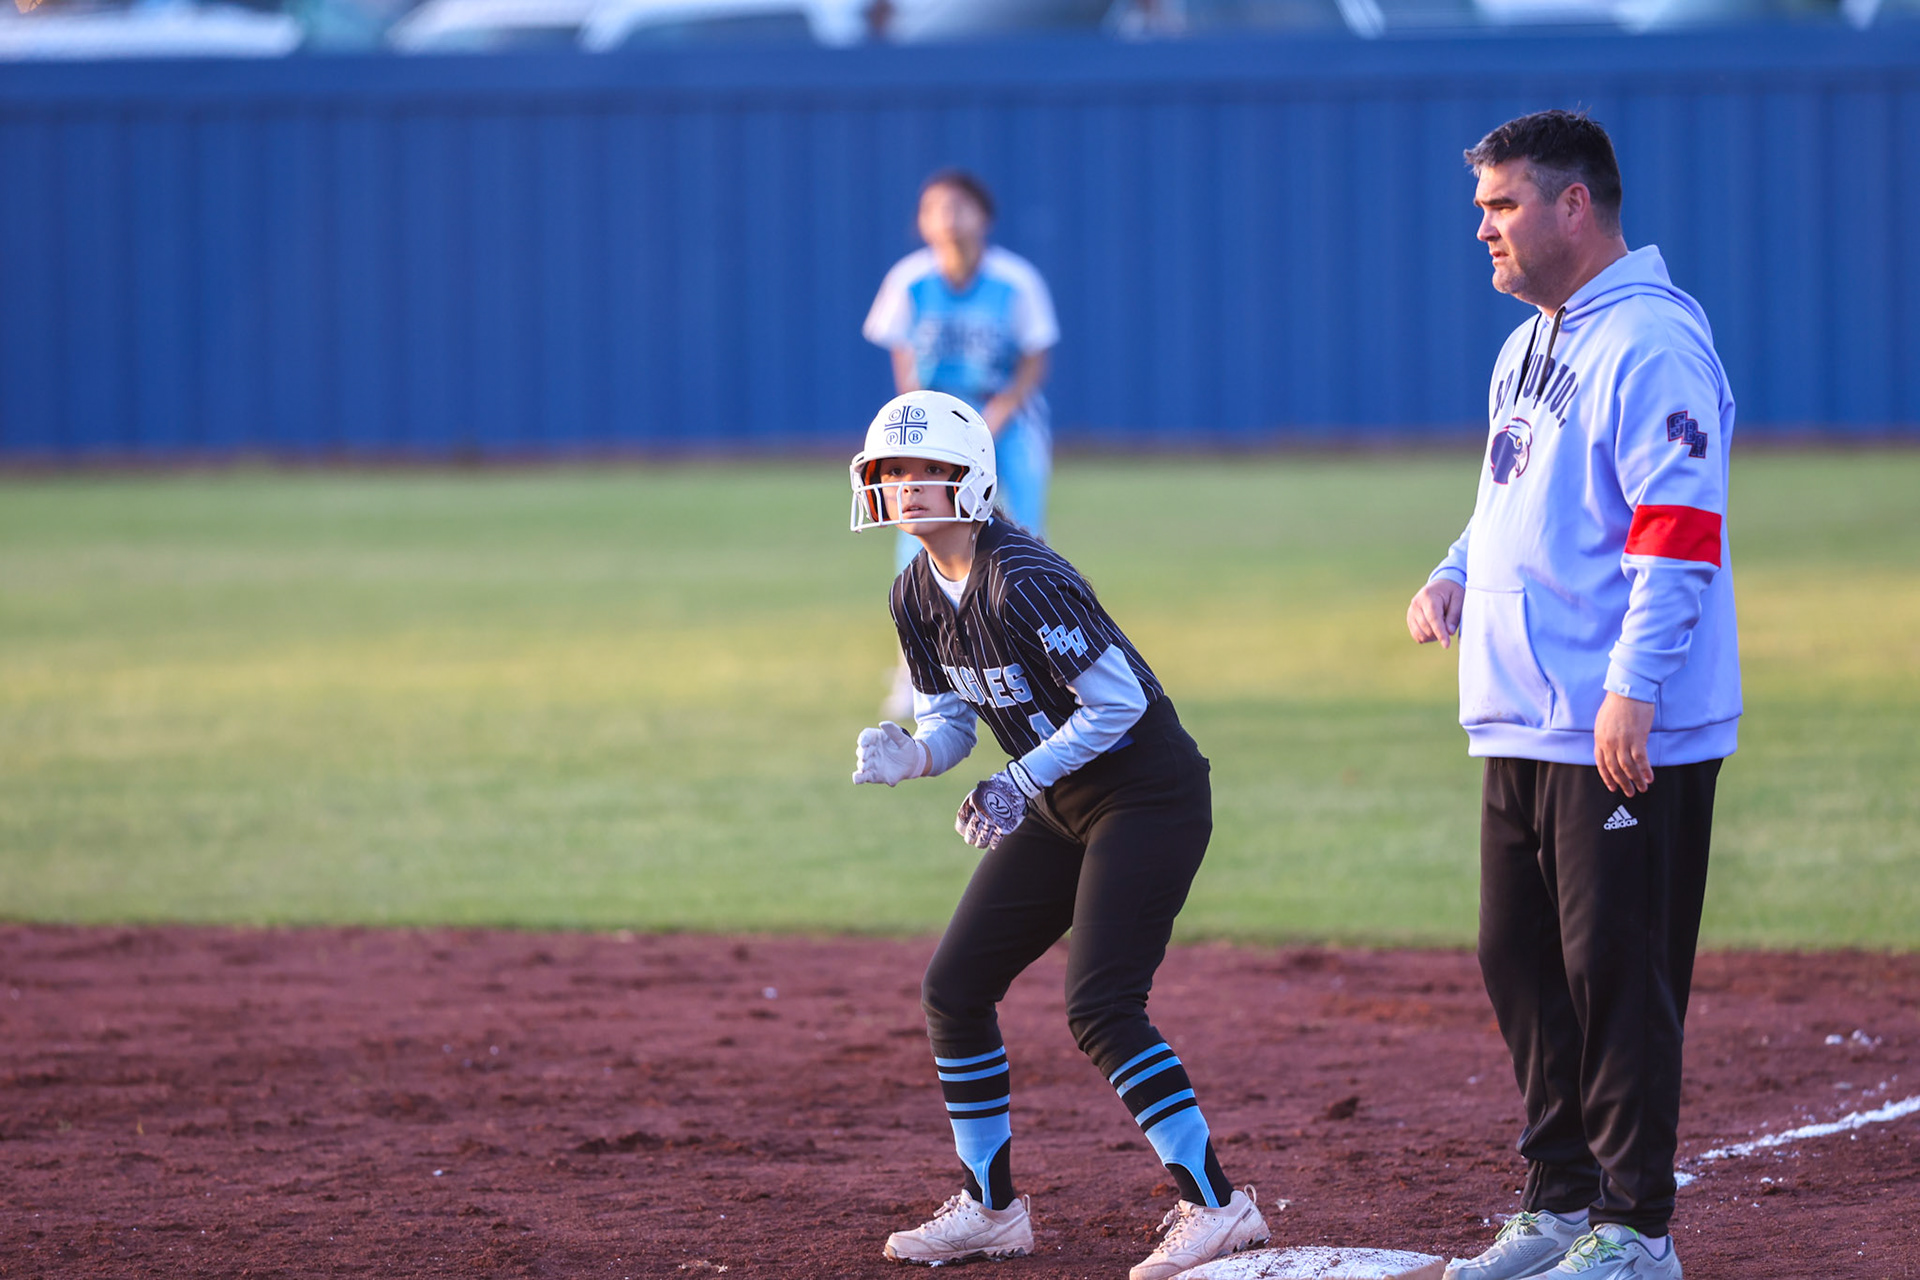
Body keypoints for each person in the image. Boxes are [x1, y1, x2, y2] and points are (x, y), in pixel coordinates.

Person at [1406, 110, 1740, 1280]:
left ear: (1573, 206)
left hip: (1616, 723)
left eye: (1501, 207)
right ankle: (1558, 1201)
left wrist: (1633, 688)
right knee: (1521, 956)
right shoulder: (1532, 342)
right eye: (1482, 209)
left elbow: (1677, 529)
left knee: (1618, 971)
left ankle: (1638, 1227)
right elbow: (1511, 487)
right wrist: (1455, 569)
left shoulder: (1650, 341)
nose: (1483, 230)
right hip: (1519, 715)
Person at [848, 389, 1271, 1279]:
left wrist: (1019, 778)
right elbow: (957, 723)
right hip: (1060, 798)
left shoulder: (1023, 577)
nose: (907, 486)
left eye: (927, 469)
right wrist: (917, 757)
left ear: (971, 477)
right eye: (892, 472)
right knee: (955, 987)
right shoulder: (914, 590)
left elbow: (1117, 705)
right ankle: (994, 1211)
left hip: (1145, 794)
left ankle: (1218, 1206)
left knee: (1101, 1005)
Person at [864, 169, 1059, 720]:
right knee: (918, 535)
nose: (946, 218)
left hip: (1005, 422)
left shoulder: (1015, 282)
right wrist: (926, 423)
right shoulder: (909, 280)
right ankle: (918, 672)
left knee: (1020, 538)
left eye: (957, 206)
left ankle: (1036, 664)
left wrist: (994, 416)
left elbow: (1034, 356)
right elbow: (904, 357)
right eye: (933, 208)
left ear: (983, 216)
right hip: (936, 430)